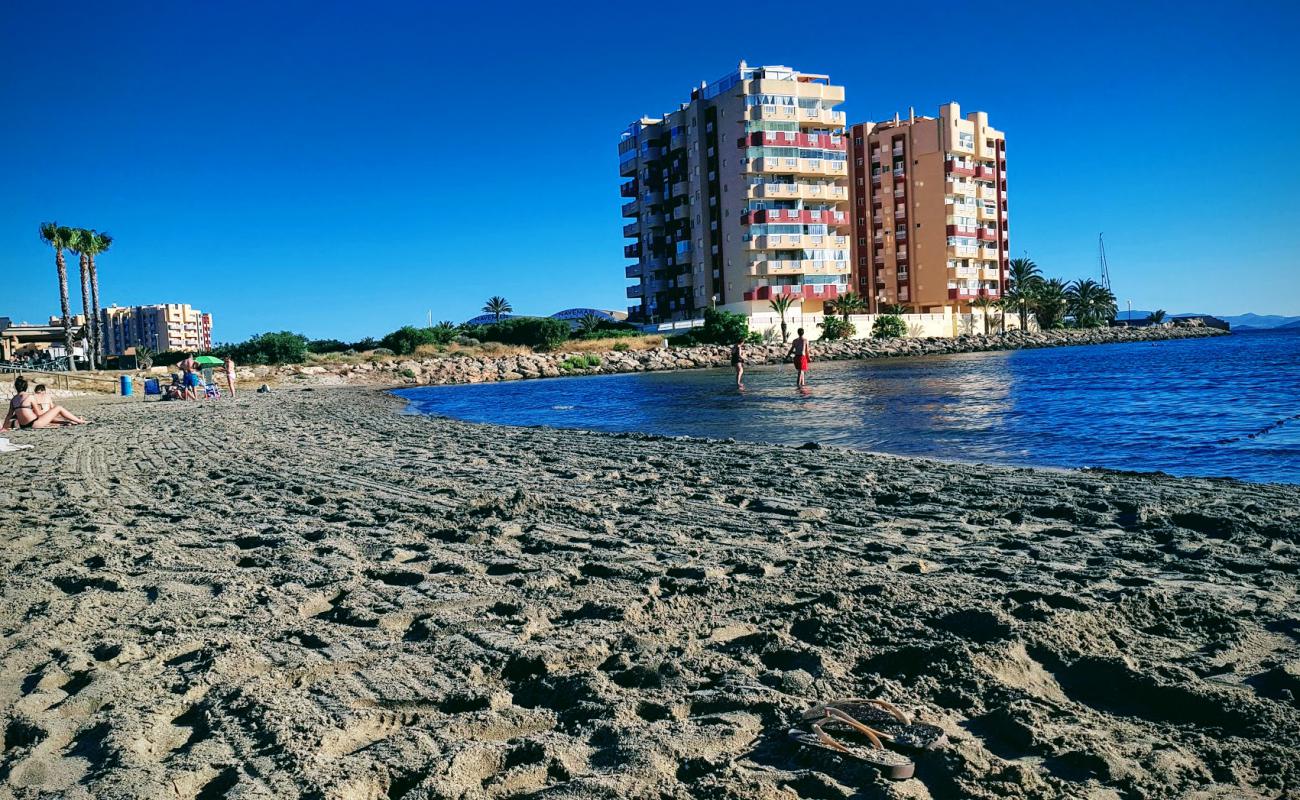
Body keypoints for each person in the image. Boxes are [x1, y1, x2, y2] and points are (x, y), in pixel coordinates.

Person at [1, 376, 88, 430]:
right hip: (34, 423)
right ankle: (80, 421)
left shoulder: (13, 399)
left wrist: (4, 427)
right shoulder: (30, 397)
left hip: (23, 426)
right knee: (59, 408)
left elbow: (9, 415)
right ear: (26, 387)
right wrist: (49, 414)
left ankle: (71, 421)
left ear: (16, 387)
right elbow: (39, 413)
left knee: (51, 418)